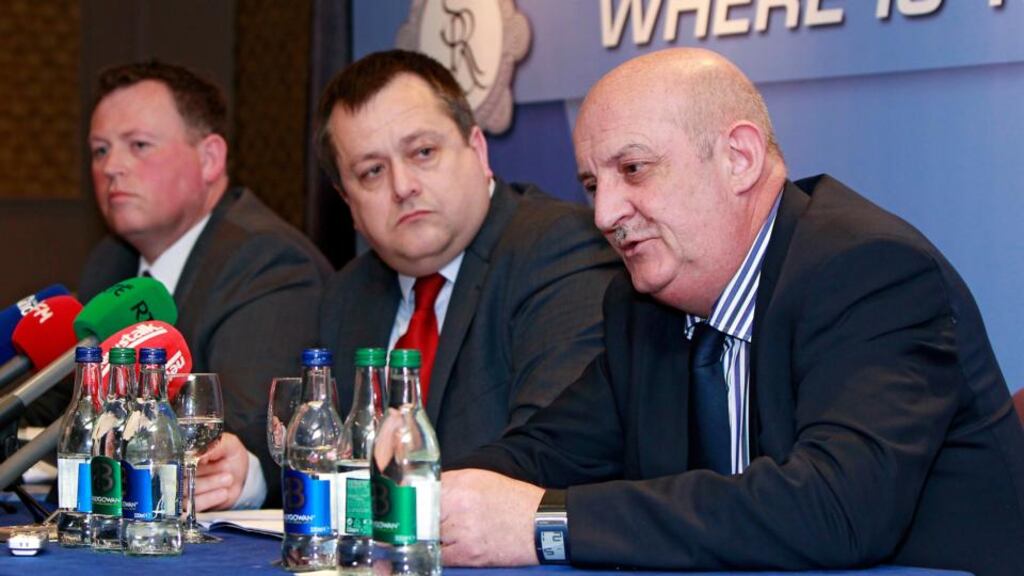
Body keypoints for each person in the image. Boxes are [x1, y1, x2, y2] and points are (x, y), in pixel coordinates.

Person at [440, 48, 1024, 576]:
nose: (604, 213)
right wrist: (410, 497)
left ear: (739, 158)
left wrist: (548, 524)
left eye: (634, 169)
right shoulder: (646, 302)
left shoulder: (871, 271)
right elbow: (543, 453)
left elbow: (835, 509)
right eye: (593, 184)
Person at [315, 50, 621, 465]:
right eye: (372, 171)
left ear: (477, 150)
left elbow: (550, 452)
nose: (403, 186)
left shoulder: (560, 249)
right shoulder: (346, 295)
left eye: (423, 152)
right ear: (347, 201)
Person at [78, 61, 331, 510]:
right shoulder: (110, 262)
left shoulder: (265, 260)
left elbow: (238, 428)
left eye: (138, 145)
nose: (112, 167)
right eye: (99, 151)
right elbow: (70, 400)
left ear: (210, 158)